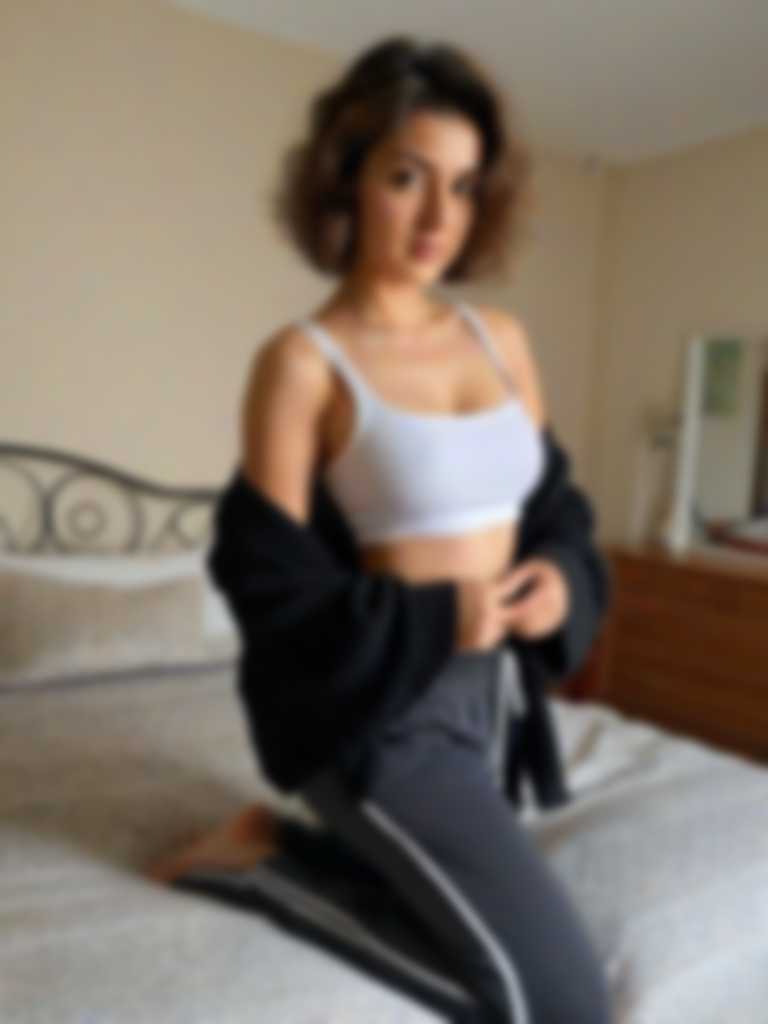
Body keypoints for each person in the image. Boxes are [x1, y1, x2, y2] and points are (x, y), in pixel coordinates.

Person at [147, 35, 613, 1023]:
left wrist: (561, 580)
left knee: (494, 936)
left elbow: (554, 510)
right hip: (375, 718)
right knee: (563, 1002)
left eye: (464, 186)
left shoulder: (502, 339)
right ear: (347, 179)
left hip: (489, 711)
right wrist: (441, 617)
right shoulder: (302, 363)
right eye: (407, 178)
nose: (440, 216)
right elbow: (271, 590)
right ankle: (261, 870)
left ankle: (284, 844)